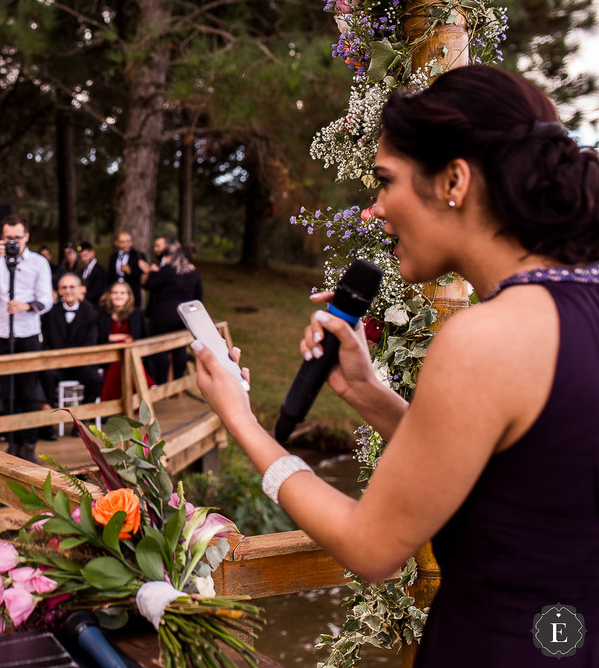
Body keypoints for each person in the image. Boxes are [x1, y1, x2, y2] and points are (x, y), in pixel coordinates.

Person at [193, 65, 599, 667]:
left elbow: (372, 548)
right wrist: (367, 391)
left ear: (454, 180)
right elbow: (515, 479)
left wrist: (241, 421)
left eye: (386, 182)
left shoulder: (486, 338)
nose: (375, 210)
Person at [0, 214, 53, 462]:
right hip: (2, 334)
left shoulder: (39, 262)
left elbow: (46, 300)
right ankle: (12, 442)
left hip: (28, 334)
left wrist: (26, 306)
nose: (13, 242)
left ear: (26, 237)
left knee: (28, 391)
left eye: (17, 237)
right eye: (8, 237)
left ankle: (29, 443)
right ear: (2, 237)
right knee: (6, 390)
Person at [39, 273, 104, 431]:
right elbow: (45, 343)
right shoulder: (50, 313)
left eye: (71, 287)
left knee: (95, 380)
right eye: (64, 287)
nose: (68, 290)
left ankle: (81, 421)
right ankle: (48, 424)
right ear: (59, 291)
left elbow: (90, 344)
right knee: (46, 376)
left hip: (81, 365)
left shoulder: (91, 314)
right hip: (57, 365)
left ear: (80, 290)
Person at [141, 240, 204, 384]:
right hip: (185, 316)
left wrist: (152, 273)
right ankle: (178, 382)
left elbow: (151, 285)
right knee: (180, 348)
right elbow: (198, 296)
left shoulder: (167, 270)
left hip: (164, 315)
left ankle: (162, 384)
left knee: (160, 349)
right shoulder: (193, 273)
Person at [98, 282, 151, 401]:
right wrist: (123, 338)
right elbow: (101, 338)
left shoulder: (137, 314)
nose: (119, 296)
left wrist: (114, 337)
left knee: (124, 356)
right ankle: (147, 384)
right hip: (108, 356)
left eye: (122, 293)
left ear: (129, 296)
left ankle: (110, 398)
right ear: (109, 295)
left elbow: (142, 338)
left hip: (133, 355)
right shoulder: (101, 314)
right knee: (120, 355)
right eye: (115, 293)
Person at [108, 231, 146, 307]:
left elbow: (142, 278)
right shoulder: (113, 257)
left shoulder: (139, 256)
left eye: (128, 241)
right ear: (117, 243)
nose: (125, 245)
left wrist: (129, 271)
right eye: (122, 242)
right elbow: (110, 276)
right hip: (116, 294)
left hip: (132, 294)